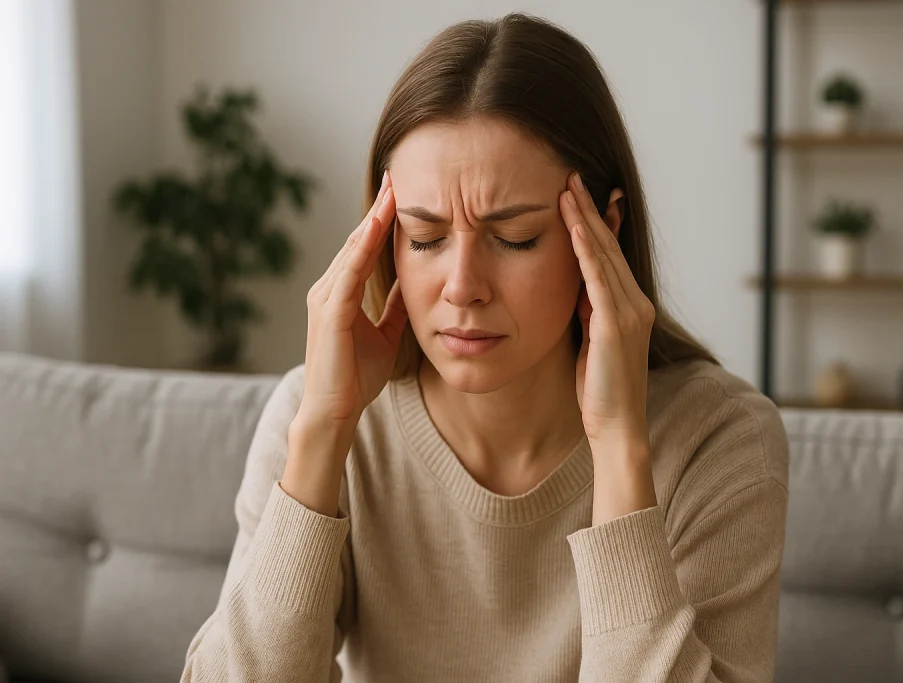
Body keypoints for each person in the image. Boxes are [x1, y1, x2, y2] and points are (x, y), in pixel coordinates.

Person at [180, 11, 789, 683]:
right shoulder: (318, 415)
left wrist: (620, 446)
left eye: (514, 238)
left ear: (605, 232)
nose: (462, 286)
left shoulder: (720, 438)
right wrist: (322, 435)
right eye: (425, 237)